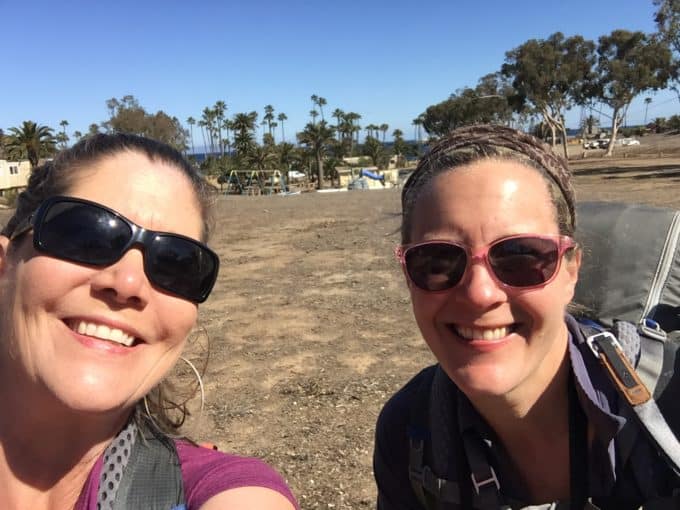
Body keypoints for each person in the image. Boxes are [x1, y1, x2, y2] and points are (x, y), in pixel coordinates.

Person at [373, 124, 680, 509]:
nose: (479, 294)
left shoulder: (671, 402)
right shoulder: (408, 431)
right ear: (408, 276)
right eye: (438, 260)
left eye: (520, 257)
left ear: (571, 271)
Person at [0, 133, 298, 510]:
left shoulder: (219, 491)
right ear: (4, 267)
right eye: (86, 235)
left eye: (175, 263)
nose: (127, 284)